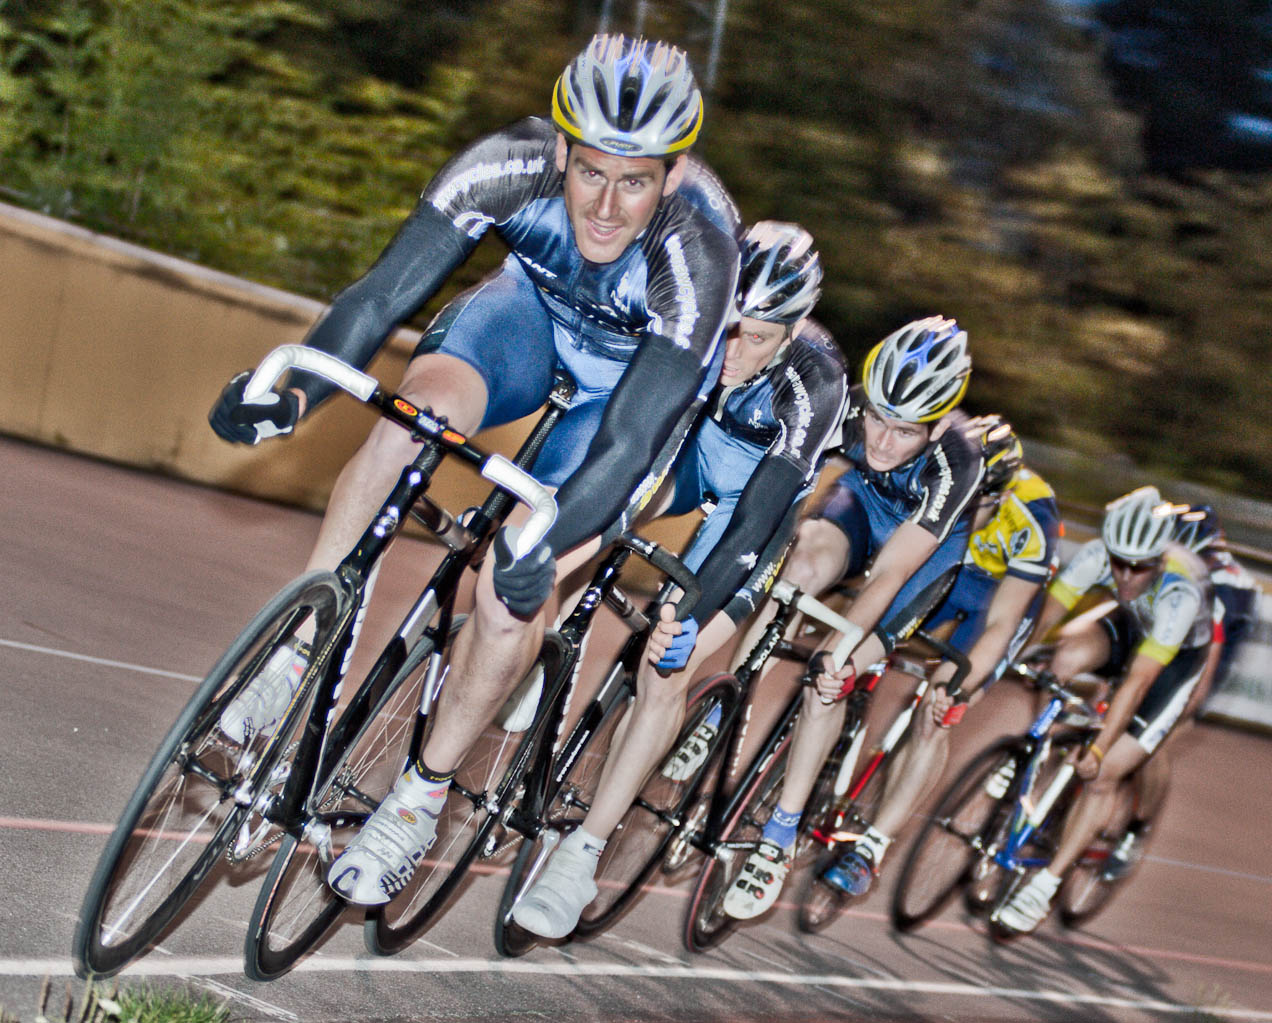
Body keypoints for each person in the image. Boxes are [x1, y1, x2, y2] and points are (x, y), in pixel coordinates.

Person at [207, 34, 743, 907]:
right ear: (560, 149)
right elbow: (380, 298)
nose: (606, 207)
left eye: (636, 180)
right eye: (591, 172)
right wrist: (294, 394)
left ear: (673, 176)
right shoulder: (509, 163)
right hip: (524, 316)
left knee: (509, 591)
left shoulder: (699, 251)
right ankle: (298, 644)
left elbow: (633, 442)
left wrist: (550, 538)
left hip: (626, 397)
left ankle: (418, 799)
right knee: (407, 425)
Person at [510, 221, 850, 939]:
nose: (733, 351)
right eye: (728, 329)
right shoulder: (693, 313)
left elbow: (755, 524)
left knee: (668, 666)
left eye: (756, 338)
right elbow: (627, 445)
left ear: (789, 334)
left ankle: (584, 853)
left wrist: (688, 613)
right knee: (584, 519)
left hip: (751, 501)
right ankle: (529, 656)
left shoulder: (815, 381)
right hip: (687, 453)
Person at [721, 316, 984, 921]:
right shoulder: (846, 401)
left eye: (906, 432)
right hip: (860, 508)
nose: (885, 443)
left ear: (938, 424)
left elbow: (891, 576)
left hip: (920, 559)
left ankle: (778, 838)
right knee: (795, 573)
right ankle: (728, 703)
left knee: (831, 674)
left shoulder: (958, 459)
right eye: (878, 420)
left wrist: (841, 650)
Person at [815, 415, 1061, 897]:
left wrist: (958, 690)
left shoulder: (1034, 514)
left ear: (1004, 492)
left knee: (936, 712)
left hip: (997, 598)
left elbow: (1000, 626)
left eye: (985, 501)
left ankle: (872, 848)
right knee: (863, 642)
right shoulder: (944, 473)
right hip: (947, 569)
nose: (976, 509)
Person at [995, 485, 1213, 934]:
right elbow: (1048, 616)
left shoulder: (1180, 592)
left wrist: (1099, 750)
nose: (1127, 575)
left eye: (1139, 567)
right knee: (1062, 658)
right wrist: (1007, 659)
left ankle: (1045, 886)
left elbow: (1139, 681)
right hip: (1133, 624)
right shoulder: (1099, 554)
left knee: (1105, 772)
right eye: (1119, 563)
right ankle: (1046, 746)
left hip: (1173, 662)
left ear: (1160, 558)